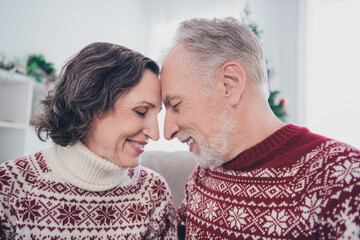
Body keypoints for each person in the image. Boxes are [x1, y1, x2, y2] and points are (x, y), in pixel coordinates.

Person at [160, 17, 360, 239]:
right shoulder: (202, 177)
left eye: (176, 105)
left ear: (230, 83)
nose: (167, 131)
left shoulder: (343, 177)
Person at [0, 42, 177, 239]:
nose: (155, 133)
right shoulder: (9, 185)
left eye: (156, 114)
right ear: (91, 105)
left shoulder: (153, 192)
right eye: (141, 111)